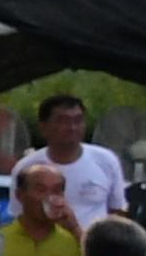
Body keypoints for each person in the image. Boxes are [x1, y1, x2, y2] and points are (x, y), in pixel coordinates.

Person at [34, 94, 130, 233]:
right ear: (43, 127)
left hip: (94, 248)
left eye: (78, 121)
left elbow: (117, 211)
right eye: (63, 121)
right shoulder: (29, 167)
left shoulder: (106, 160)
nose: (72, 127)